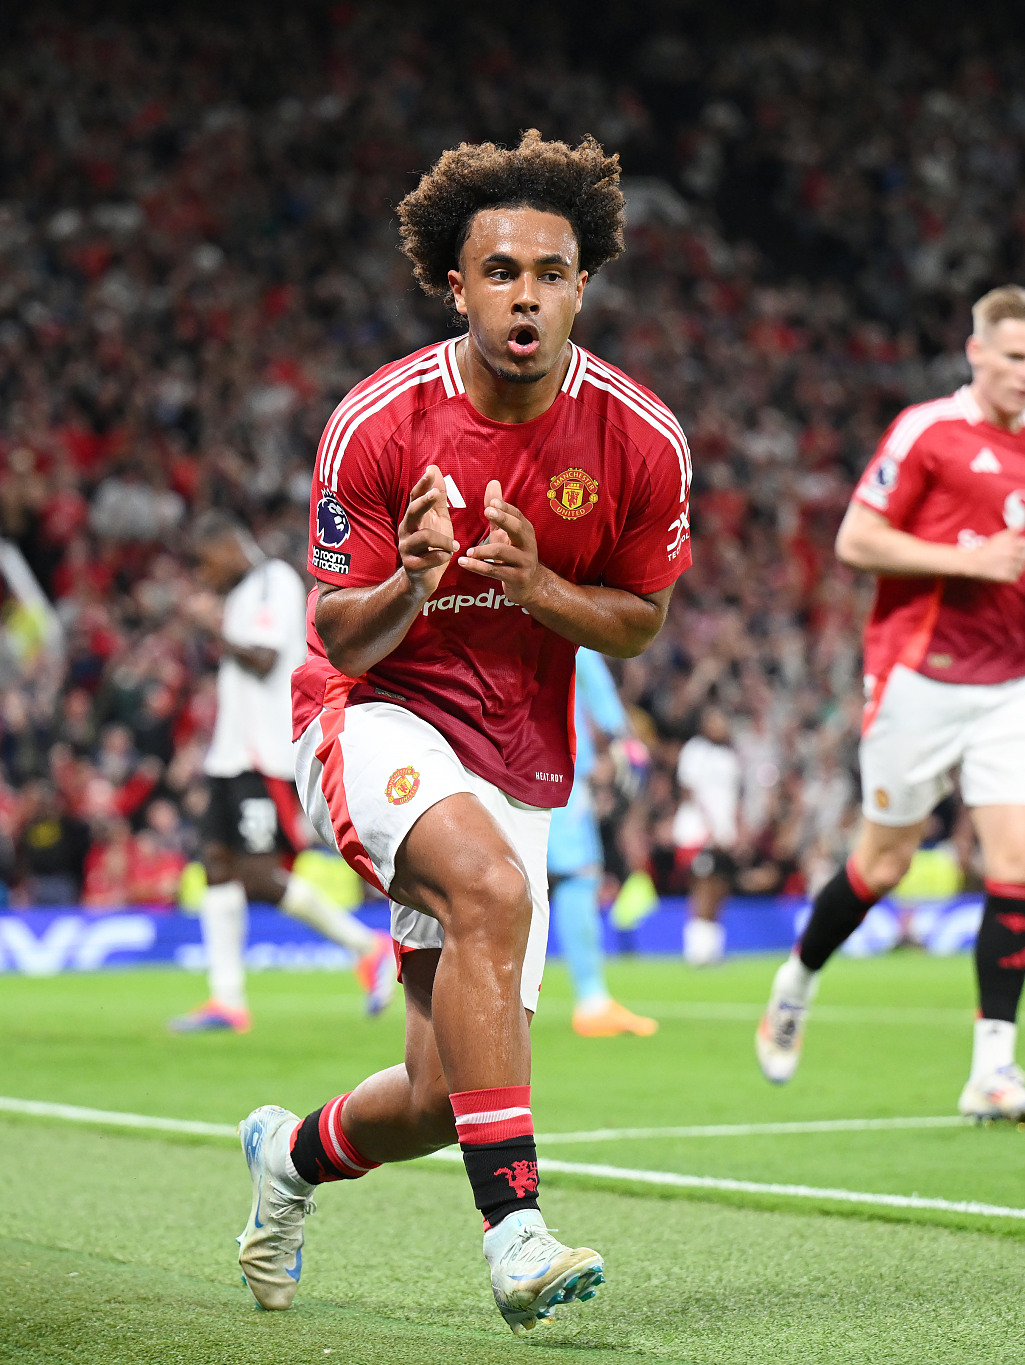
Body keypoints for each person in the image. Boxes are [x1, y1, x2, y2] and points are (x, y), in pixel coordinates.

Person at [234, 132, 691, 1333]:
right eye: (499, 271)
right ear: (455, 282)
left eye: (550, 270)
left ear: (583, 282)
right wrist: (415, 578)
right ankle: (516, 1234)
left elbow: (639, 623)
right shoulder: (378, 423)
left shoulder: (640, 439)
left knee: (440, 1097)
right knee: (490, 892)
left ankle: (288, 1157)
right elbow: (341, 634)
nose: (525, 293)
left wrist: (541, 594)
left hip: (519, 752)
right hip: (372, 709)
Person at [753, 284, 1025, 1124]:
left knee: (1022, 859)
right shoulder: (927, 431)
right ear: (976, 352)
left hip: (1010, 681)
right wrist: (969, 563)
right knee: (884, 863)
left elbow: (1018, 543)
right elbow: (856, 539)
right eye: (1012, 356)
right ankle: (797, 977)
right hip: (919, 678)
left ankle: (993, 1070)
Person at [170, 513, 392, 1033]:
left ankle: (367, 946)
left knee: (257, 874)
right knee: (218, 867)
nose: (206, 575)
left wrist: (212, 628)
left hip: (264, 755)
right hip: (229, 757)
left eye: (207, 563)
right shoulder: (244, 592)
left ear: (228, 544)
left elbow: (266, 658)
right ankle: (227, 1001)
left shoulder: (273, 580)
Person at [551, 648, 657, 1036]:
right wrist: (622, 736)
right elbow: (587, 665)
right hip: (552, 763)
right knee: (578, 875)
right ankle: (592, 1001)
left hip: (485, 758)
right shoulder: (557, 596)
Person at [673, 705, 740, 966]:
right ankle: (697, 949)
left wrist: (731, 828)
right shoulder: (695, 751)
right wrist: (709, 824)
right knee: (703, 884)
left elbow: (732, 799)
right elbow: (689, 790)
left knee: (720, 886)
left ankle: (711, 946)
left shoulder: (729, 757)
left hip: (723, 834)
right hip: (698, 831)